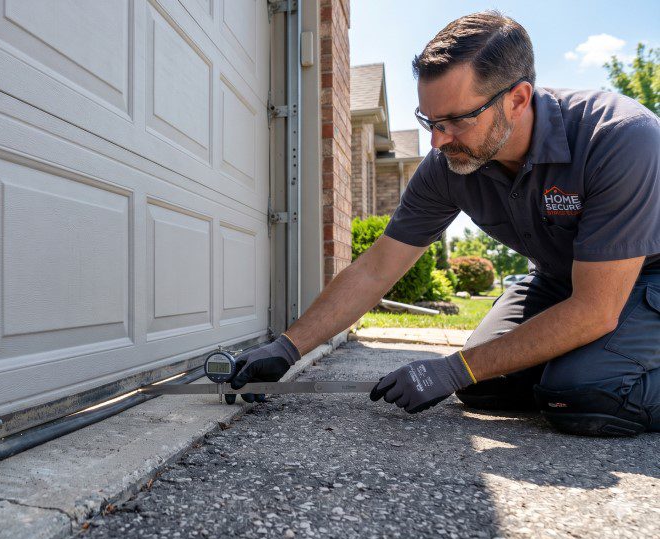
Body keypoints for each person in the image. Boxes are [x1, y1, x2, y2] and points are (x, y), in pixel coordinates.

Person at [230, 11, 660, 436]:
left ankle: (593, 374)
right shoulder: (449, 164)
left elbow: (596, 308)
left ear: (517, 99)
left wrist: (456, 368)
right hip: (558, 277)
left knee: (582, 396)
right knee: (487, 386)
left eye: (456, 119)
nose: (437, 140)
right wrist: (287, 348)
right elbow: (377, 268)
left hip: (647, 277)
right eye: (429, 121)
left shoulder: (620, 138)